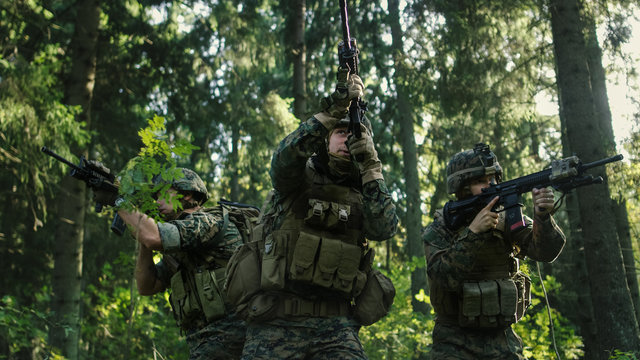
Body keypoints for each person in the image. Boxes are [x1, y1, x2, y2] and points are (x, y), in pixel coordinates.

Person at [237, 68, 398, 359]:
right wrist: (333, 111)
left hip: (336, 327)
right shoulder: (297, 179)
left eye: (355, 135)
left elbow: (384, 228)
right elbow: (282, 160)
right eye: (340, 132)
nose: (347, 140)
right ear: (325, 139)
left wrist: (372, 167)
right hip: (277, 321)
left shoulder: (366, 190)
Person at [422, 143, 566, 359]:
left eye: (494, 179)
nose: (491, 185)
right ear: (461, 187)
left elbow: (545, 253)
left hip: (503, 341)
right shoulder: (442, 226)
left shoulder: (508, 219)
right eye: (481, 181)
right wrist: (473, 233)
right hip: (452, 343)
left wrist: (543, 218)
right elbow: (443, 277)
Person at [97, 167, 246, 359]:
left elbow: (153, 236)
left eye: (162, 194)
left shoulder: (207, 221)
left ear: (187, 194)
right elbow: (146, 285)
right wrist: (145, 240)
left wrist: (118, 200)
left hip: (234, 338)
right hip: (209, 344)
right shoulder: (182, 250)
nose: (156, 202)